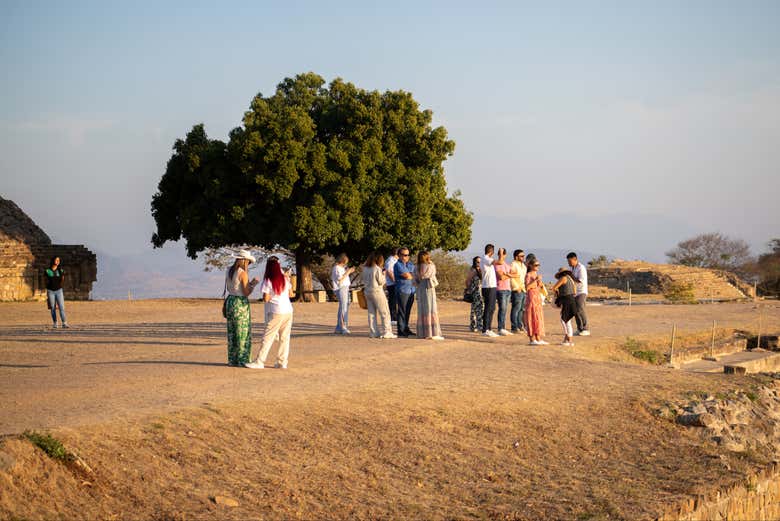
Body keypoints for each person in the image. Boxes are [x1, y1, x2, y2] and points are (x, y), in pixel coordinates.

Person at [246, 256, 294, 369]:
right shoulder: (285, 279)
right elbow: (291, 294)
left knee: (267, 337)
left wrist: (272, 295)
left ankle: (260, 361)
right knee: (285, 338)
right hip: (288, 310)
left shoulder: (268, 280)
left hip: (276, 311)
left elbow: (266, 298)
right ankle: (282, 362)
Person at [224, 250, 260, 366]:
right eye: (248, 262)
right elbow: (246, 292)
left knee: (232, 332)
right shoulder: (242, 273)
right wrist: (253, 284)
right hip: (240, 303)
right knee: (242, 331)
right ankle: (242, 359)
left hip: (230, 301)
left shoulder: (229, 271)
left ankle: (232, 359)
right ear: (244, 261)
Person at [361, 252, 396, 339]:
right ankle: (387, 331)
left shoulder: (365, 268)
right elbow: (381, 281)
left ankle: (373, 332)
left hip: (367, 291)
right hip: (377, 291)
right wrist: (384, 274)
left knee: (371, 313)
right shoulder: (376, 269)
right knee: (384, 312)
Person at [414, 251, 444, 340]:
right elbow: (431, 274)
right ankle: (431, 332)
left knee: (422, 310)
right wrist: (431, 262)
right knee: (431, 309)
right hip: (428, 287)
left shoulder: (416, 267)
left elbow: (415, 279)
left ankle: (422, 332)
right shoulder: (430, 265)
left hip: (420, 288)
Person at [552, 267, 579, 346]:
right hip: (572, 300)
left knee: (564, 320)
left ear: (560, 274)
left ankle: (568, 338)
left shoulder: (563, 278)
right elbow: (574, 292)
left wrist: (557, 295)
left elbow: (554, 288)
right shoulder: (571, 279)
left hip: (566, 300)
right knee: (567, 320)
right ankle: (568, 340)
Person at [524, 258, 547, 345]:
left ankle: (538, 337)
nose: (538, 267)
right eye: (536, 265)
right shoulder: (528, 275)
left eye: (538, 265)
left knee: (538, 316)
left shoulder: (535, 274)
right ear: (530, 265)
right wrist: (536, 280)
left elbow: (539, 286)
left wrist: (540, 283)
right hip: (531, 297)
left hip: (537, 297)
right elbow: (527, 287)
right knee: (531, 316)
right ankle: (532, 338)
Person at [393, 247, 416, 337]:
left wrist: (411, 275)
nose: (406, 257)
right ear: (399, 255)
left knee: (408, 311)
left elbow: (414, 274)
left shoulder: (410, 264)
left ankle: (406, 328)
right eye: (404, 255)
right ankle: (401, 330)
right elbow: (408, 276)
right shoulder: (397, 265)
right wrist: (411, 275)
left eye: (407, 255)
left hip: (411, 290)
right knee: (402, 311)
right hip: (402, 290)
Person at [567, 252, 590, 336]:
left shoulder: (581, 268)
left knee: (581, 308)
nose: (569, 263)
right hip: (574, 292)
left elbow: (580, 281)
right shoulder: (573, 268)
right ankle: (579, 328)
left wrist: (570, 276)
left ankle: (586, 328)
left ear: (575, 259)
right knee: (575, 310)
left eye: (570, 261)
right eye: (568, 261)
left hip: (581, 291)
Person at [331, 253, 354, 335]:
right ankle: (343, 327)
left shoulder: (341, 268)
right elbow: (340, 279)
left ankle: (339, 327)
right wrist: (348, 272)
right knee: (343, 307)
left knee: (343, 306)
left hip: (345, 288)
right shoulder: (337, 268)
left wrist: (348, 271)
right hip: (341, 288)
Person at [44, 256, 68, 329]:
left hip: (59, 291)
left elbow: (62, 280)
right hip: (50, 291)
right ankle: (55, 323)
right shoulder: (47, 271)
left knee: (61, 307)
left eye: (59, 260)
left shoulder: (61, 271)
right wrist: (48, 290)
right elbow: (45, 281)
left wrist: (59, 286)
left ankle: (64, 323)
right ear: (53, 261)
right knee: (53, 308)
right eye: (56, 260)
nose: (58, 261)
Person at [481, 244, 499, 337]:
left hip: (491, 286)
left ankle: (489, 328)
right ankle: (485, 329)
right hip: (488, 286)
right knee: (488, 308)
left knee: (492, 308)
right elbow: (497, 262)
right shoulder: (486, 258)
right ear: (491, 251)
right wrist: (502, 255)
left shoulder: (486, 259)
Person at [494, 248, 513, 336]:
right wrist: (509, 275)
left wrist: (507, 275)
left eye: (503, 254)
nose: (501, 256)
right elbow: (501, 277)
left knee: (505, 309)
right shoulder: (497, 264)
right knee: (502, 308)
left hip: (508, 289)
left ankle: (503, 327)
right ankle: (500, 328)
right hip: (500, 289)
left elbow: (516, 275)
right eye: (500, 254)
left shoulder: (507, 265)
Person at [508, 249, 527, 334]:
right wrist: (516, 287)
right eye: (521, 256)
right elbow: (511, 277)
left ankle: (520, 325)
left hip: (523, 289)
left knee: (521, 309)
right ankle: (514, 327)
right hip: (517, 289)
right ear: (516, 257)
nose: (523, 257)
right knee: (516, 308)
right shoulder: (513, 264)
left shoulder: (524, 266)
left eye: (523, 256)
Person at [465, 256, 484, 332]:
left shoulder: (481, 270)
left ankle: (477, 325)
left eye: (480, 262)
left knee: (480, 309)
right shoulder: (473, 270)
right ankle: (475, 326)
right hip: (475, 292)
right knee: (476, 310)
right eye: (477, 262)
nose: (479, 263)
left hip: (481, 292)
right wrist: (469, 290)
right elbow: (467, 281)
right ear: (474, 262)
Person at [384, 249, 399, 326]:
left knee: (394, 300)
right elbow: (389, 271)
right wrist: (395, 281)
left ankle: (395, 317)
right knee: (392, 301)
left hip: (393, 283)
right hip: (392, 283)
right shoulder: (390, 260)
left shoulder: (394, 260)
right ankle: (393, 318)